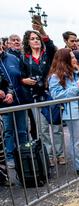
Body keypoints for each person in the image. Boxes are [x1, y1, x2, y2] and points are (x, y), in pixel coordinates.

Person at [21, 24, 64, 167]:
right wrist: (24, 80)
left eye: (37, 38)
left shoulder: (48, 54)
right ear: (28, 42)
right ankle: (49, 155)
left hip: (51, 95)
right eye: (32, 39)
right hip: (35, 97)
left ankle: (60, 154)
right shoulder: (24, 58)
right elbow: (21, 76)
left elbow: (51, 45)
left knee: (56, 127)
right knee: (43, 129)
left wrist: (42, 31)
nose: (36, 41)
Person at [0, 39, 29, 169]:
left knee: (22, 130)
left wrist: (12, 92)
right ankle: (10, 157)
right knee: (8, 131)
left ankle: (25, 155)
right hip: (4, 104)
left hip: (19, 100)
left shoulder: (13, 58)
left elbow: (20, 77)